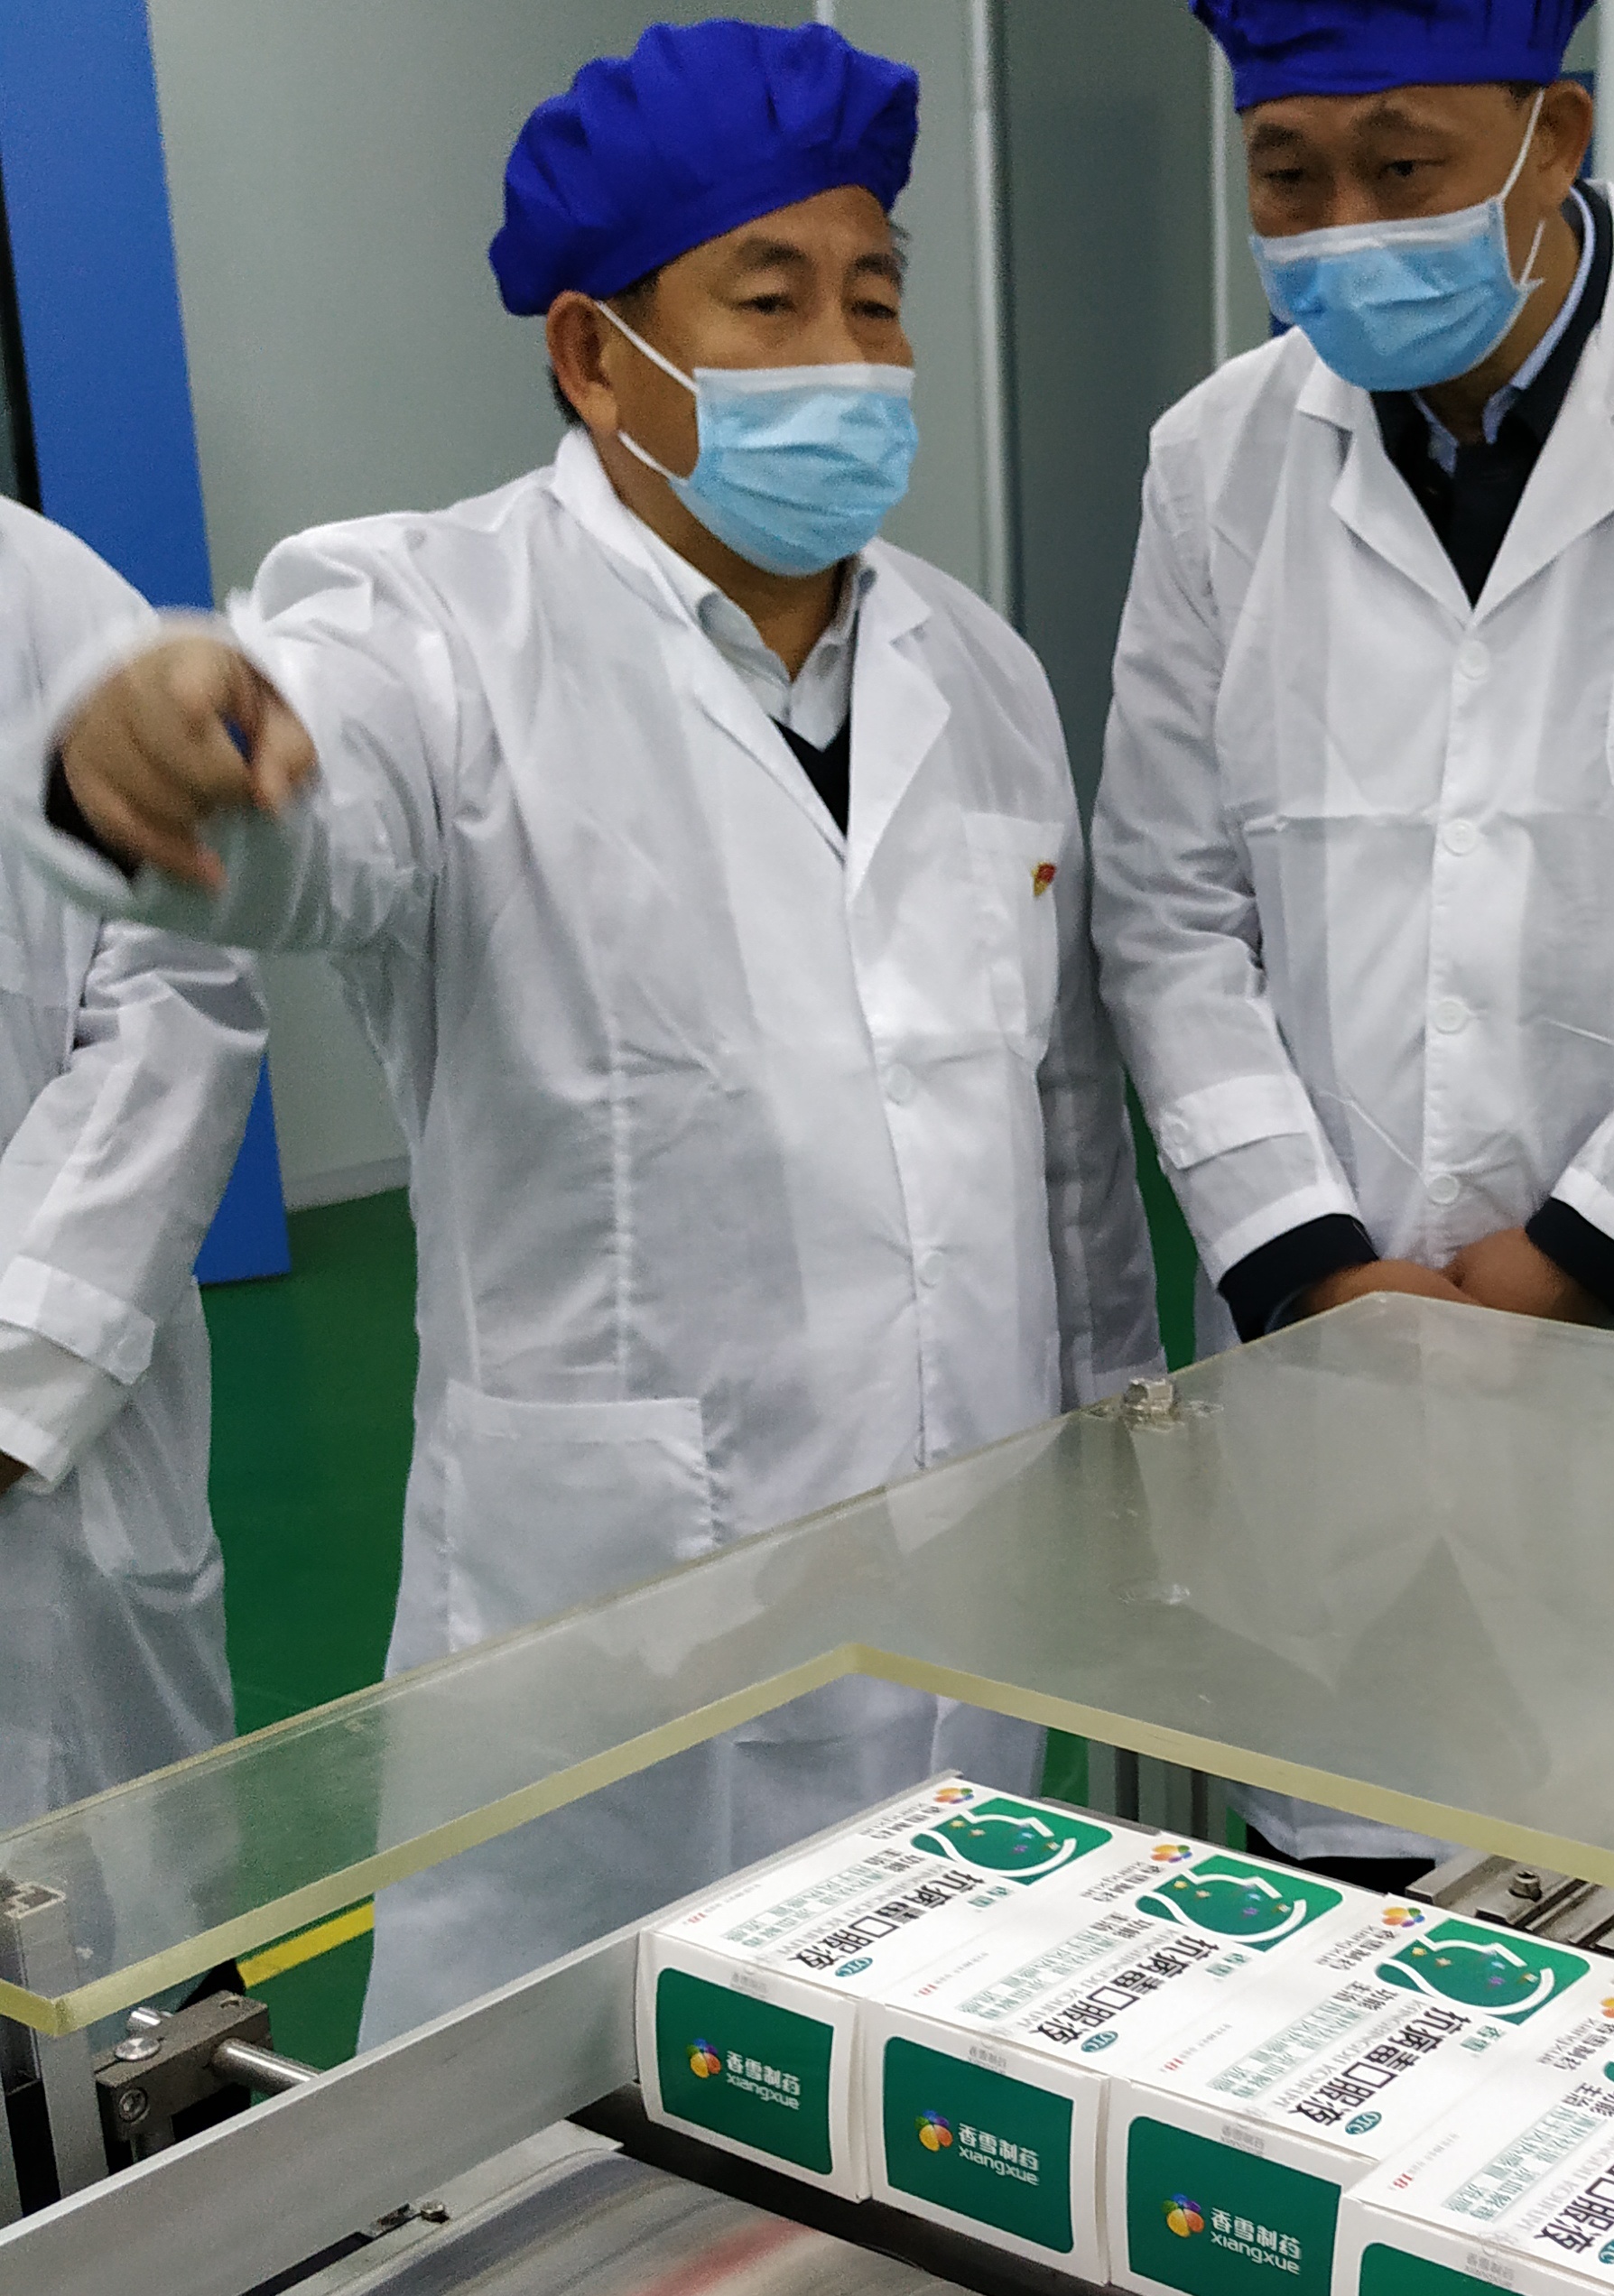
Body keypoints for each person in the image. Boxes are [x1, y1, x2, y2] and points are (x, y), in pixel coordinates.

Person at [32, 21, 1157, 2035]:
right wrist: (172, 735)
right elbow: (305, 786)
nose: (846, 355)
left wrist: (1125, 1444)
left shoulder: (979, 668)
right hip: (621, 1615)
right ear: (595, 354)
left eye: (875, 295)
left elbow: (1063, 1125)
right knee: (571, 2113)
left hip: (970, 1564)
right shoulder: (438, 623)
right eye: (769, 298)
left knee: (939, 2081)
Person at [1095, 0, 1614, 1875]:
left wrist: (1581, 1263)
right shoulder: (1216, 456)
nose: (1343, 227)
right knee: (1359, 1897)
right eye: (1287, 176)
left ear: (1552, 136)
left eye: (1402, 167)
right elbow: (1164, 900)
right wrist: (1313, 1269)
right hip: (1345, 1324)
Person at [0, 505, 263, 1844]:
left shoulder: (47, 600)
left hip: (46, 1466)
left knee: (101, 1925)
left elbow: (176, 997)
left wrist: (16, 1374)